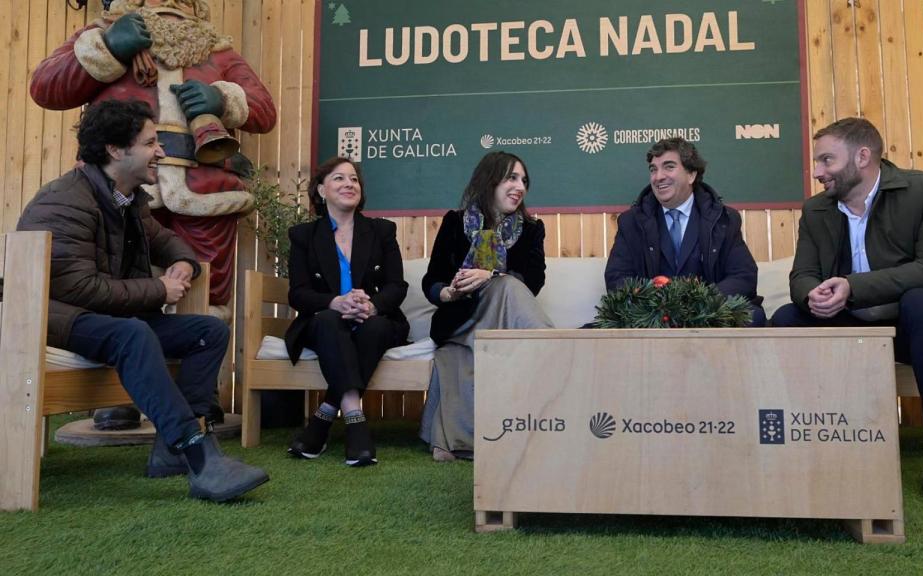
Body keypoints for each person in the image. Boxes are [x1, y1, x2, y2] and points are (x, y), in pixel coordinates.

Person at [17, 99, 268, 502]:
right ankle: (195, 451)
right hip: (61, 318)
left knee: (208, 330)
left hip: (108, 318)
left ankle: (169, 453)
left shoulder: (128, 198)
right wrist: (159, 290)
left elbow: (165, 241)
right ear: (116, 150)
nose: (162, 151)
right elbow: (77, 288)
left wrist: (184, 263)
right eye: (151, 142)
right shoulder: (63, 201)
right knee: (132, 334)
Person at [770, 117, 923, 499]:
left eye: (827, 160)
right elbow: (802, 275)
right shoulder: (816, 211)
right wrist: (813, 295)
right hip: (859, 326)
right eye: (816, 162)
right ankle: (805, 441)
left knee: (920, 299)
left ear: (862, 156)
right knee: (787, 318)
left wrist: (851, 287)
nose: (817, 172)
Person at [30, 0, 276, 312]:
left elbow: (264, 110)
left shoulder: (216, 49)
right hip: (117, 187)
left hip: (203, 190)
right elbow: (45, 86)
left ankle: (197, 351)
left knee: (205, 297)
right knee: (114, 279)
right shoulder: (105, 32)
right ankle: (125, 350)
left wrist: (221, 99)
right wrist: (108, 48)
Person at [420, 151, 553, 461]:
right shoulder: (454, 222)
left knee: (507, 284)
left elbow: (532, 282)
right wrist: (449, 294)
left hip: (505, 316)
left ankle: (548, 353)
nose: (520, 186)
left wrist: (491, 275)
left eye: (524, 180)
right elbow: (432, 280)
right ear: (489, 181)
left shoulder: (532, 229)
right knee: (457, 348)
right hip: (461, 317)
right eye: (511, 178)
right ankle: (552, 351)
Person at [283, 157, 410, 467]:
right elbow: (298, 294)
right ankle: (354, 416)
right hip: (326, 322)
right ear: (321, 190)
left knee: (376, 327)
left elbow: (397, 286)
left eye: (354, 179)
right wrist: (335, 302)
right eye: (339, 178)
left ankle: (325, 415)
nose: (349, 184)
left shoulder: (381, 231)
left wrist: (372, 305)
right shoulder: (304, 236)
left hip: (373, 320)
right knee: (329, 321)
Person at [605, 138, 765, 326]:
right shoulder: (631, 222)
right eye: (653, 169)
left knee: (754, 316)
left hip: (710, 315)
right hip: (651, 317)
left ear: (691, 175)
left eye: (669, 167)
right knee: (590, 332)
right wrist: (656, 303)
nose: (658, 177)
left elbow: (743, 276)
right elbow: (617, 278)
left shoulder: (724, 219)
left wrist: (702, 302)